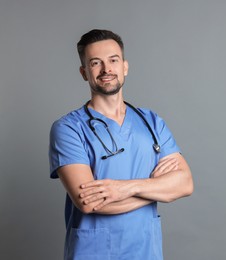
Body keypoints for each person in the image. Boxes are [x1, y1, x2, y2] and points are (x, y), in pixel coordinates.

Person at [49, 29, 193, 260]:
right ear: (84, 72)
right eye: (96, 63)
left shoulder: (151, 122)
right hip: (93, 252)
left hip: (146, 250)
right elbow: (88, 202)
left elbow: (185, 184)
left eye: (113, 60)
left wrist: (125, 188)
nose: (107, 70)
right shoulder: (68, 128)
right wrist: (158, 189)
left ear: (124, 66)